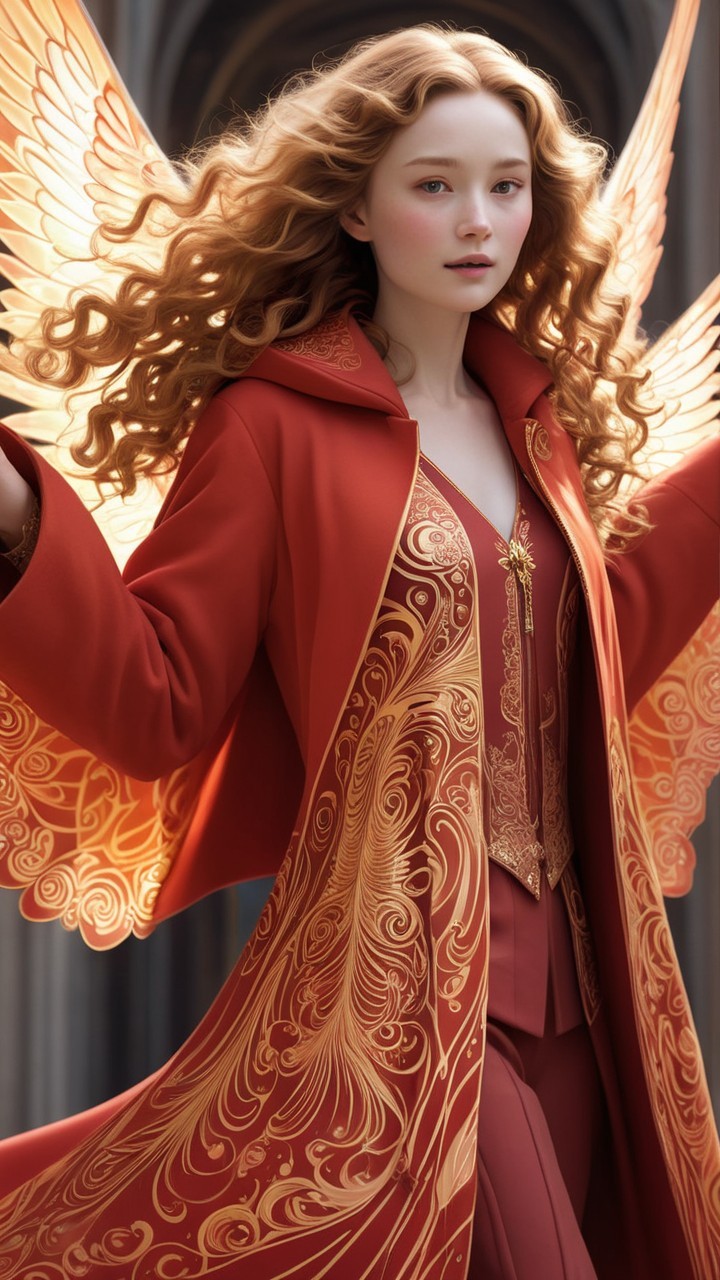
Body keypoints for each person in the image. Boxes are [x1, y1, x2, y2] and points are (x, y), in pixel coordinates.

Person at [0, 18, 717, 1280]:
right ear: (355, 208)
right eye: (434, 186)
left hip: (592, 1003)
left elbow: (599, 648)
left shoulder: (537, 427)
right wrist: (13, 518)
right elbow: (156, 698)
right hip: (407, 1003)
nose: (478, 221)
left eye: (506, 187)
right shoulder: (269, 427)